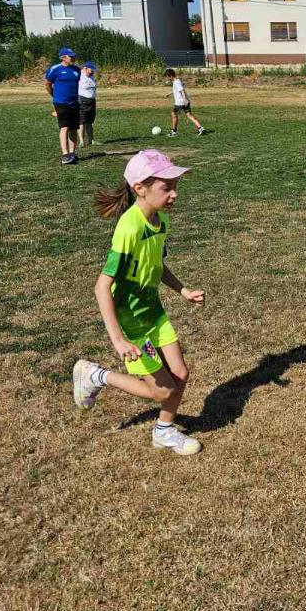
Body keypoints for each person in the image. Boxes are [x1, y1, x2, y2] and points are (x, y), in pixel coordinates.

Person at [72, 150, 206, 456]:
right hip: (132, 321)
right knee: (163, 390)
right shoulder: (129, 228)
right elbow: (102, 286)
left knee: (181, 374)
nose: (174, 194)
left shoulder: (161, 221)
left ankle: (164, 431)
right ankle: (96, 375)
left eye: (175, 186)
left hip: (153, 312)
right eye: (166, 187)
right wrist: (118, 340)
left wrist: (183, 291)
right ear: (140, 189)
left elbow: (157, 265)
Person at [45, 47, 82, 164]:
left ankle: (72, 153)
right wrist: (54, 95)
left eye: (74, 56)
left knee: (73, 128)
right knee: (64, 127)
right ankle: (65, 155)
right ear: (63, 57)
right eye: (71, 56)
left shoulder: (77, 70)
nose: (73, 58)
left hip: (74, 102)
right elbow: (48, 84)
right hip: (61, 102)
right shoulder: (55, 69)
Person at [165, 68, 206, 137]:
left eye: (167, 77)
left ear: (171, 76)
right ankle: (201, 128)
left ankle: (174, 132)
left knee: (173, 114)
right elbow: (178, 90)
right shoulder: (178, 80)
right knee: (189, 115)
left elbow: (182, 91)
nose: (167, 78)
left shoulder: (176, 82)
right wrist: (170, 94)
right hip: (185, 101)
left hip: (180, 102)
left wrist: (184, 100)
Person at [78, 61, 98, 148]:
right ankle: (81, 142)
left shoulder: (91, 76)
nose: (93, 71)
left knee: (90, 122)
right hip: (82, 101)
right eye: (91, 69)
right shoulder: (79, 76)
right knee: (81, 122)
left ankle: (91, 140)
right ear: (85, 68)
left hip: (92, 101)